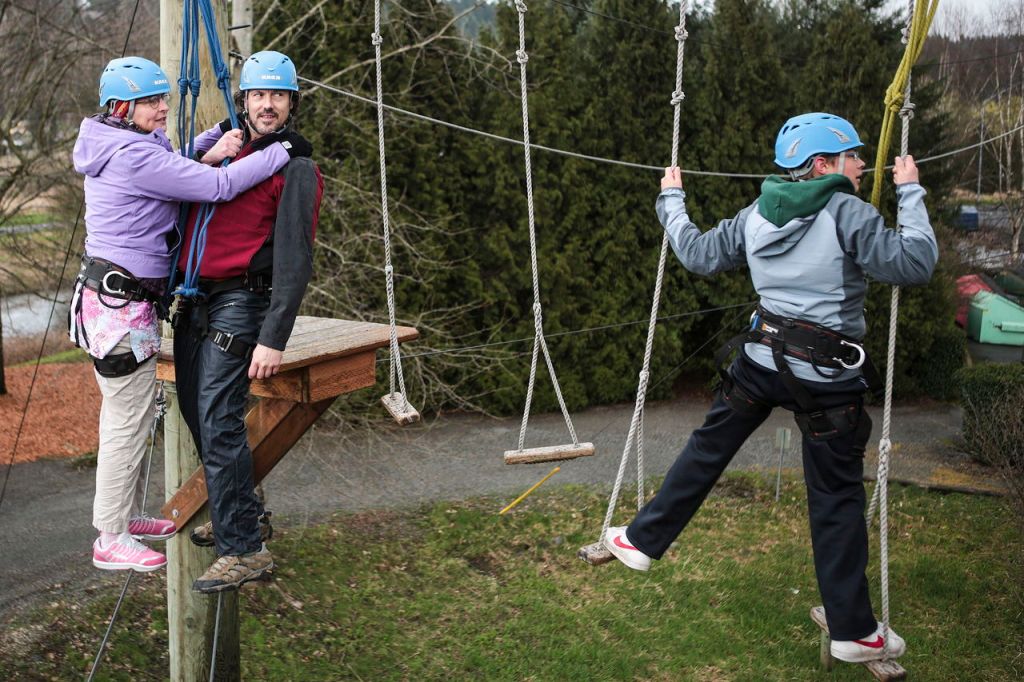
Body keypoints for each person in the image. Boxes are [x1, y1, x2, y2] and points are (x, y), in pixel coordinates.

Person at [603, 112, 938, 664]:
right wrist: (911, 193)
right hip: (828, 380)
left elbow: (697, 253)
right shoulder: (847, 211)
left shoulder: (757, 213)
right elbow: (915, 263)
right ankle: (854, 631)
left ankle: (641, 542)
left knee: (708, 448)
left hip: (760, 362)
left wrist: (672, 202)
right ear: (823, 164)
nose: (861, 165)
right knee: (834, 497)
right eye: (853, 156)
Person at [71, 56, 301, 572]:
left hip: (117, 302)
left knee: (131, 413)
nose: (162, 109)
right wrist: (280, 150)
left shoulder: (119, 139)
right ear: (122, 107)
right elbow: (215, 185)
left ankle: (124, 517)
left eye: (164, 100)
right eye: (153, 102)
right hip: (120, 306)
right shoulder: (132, 156)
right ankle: (110, 536)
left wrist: (215, 137)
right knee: (127, 422)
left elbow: (174, 155)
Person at [171, 50, 323, 593]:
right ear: (245, 102)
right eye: (258, 95)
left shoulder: (295, 167)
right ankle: (243, 509)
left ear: (290, 104)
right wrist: (209, 157)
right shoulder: (227, 155)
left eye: (277, 96)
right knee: (197, 412)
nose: (266, 105)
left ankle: (244, 548)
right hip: (196, 298)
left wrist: (273, 336)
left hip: (242, 302)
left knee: (217, 417)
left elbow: (296, 258)